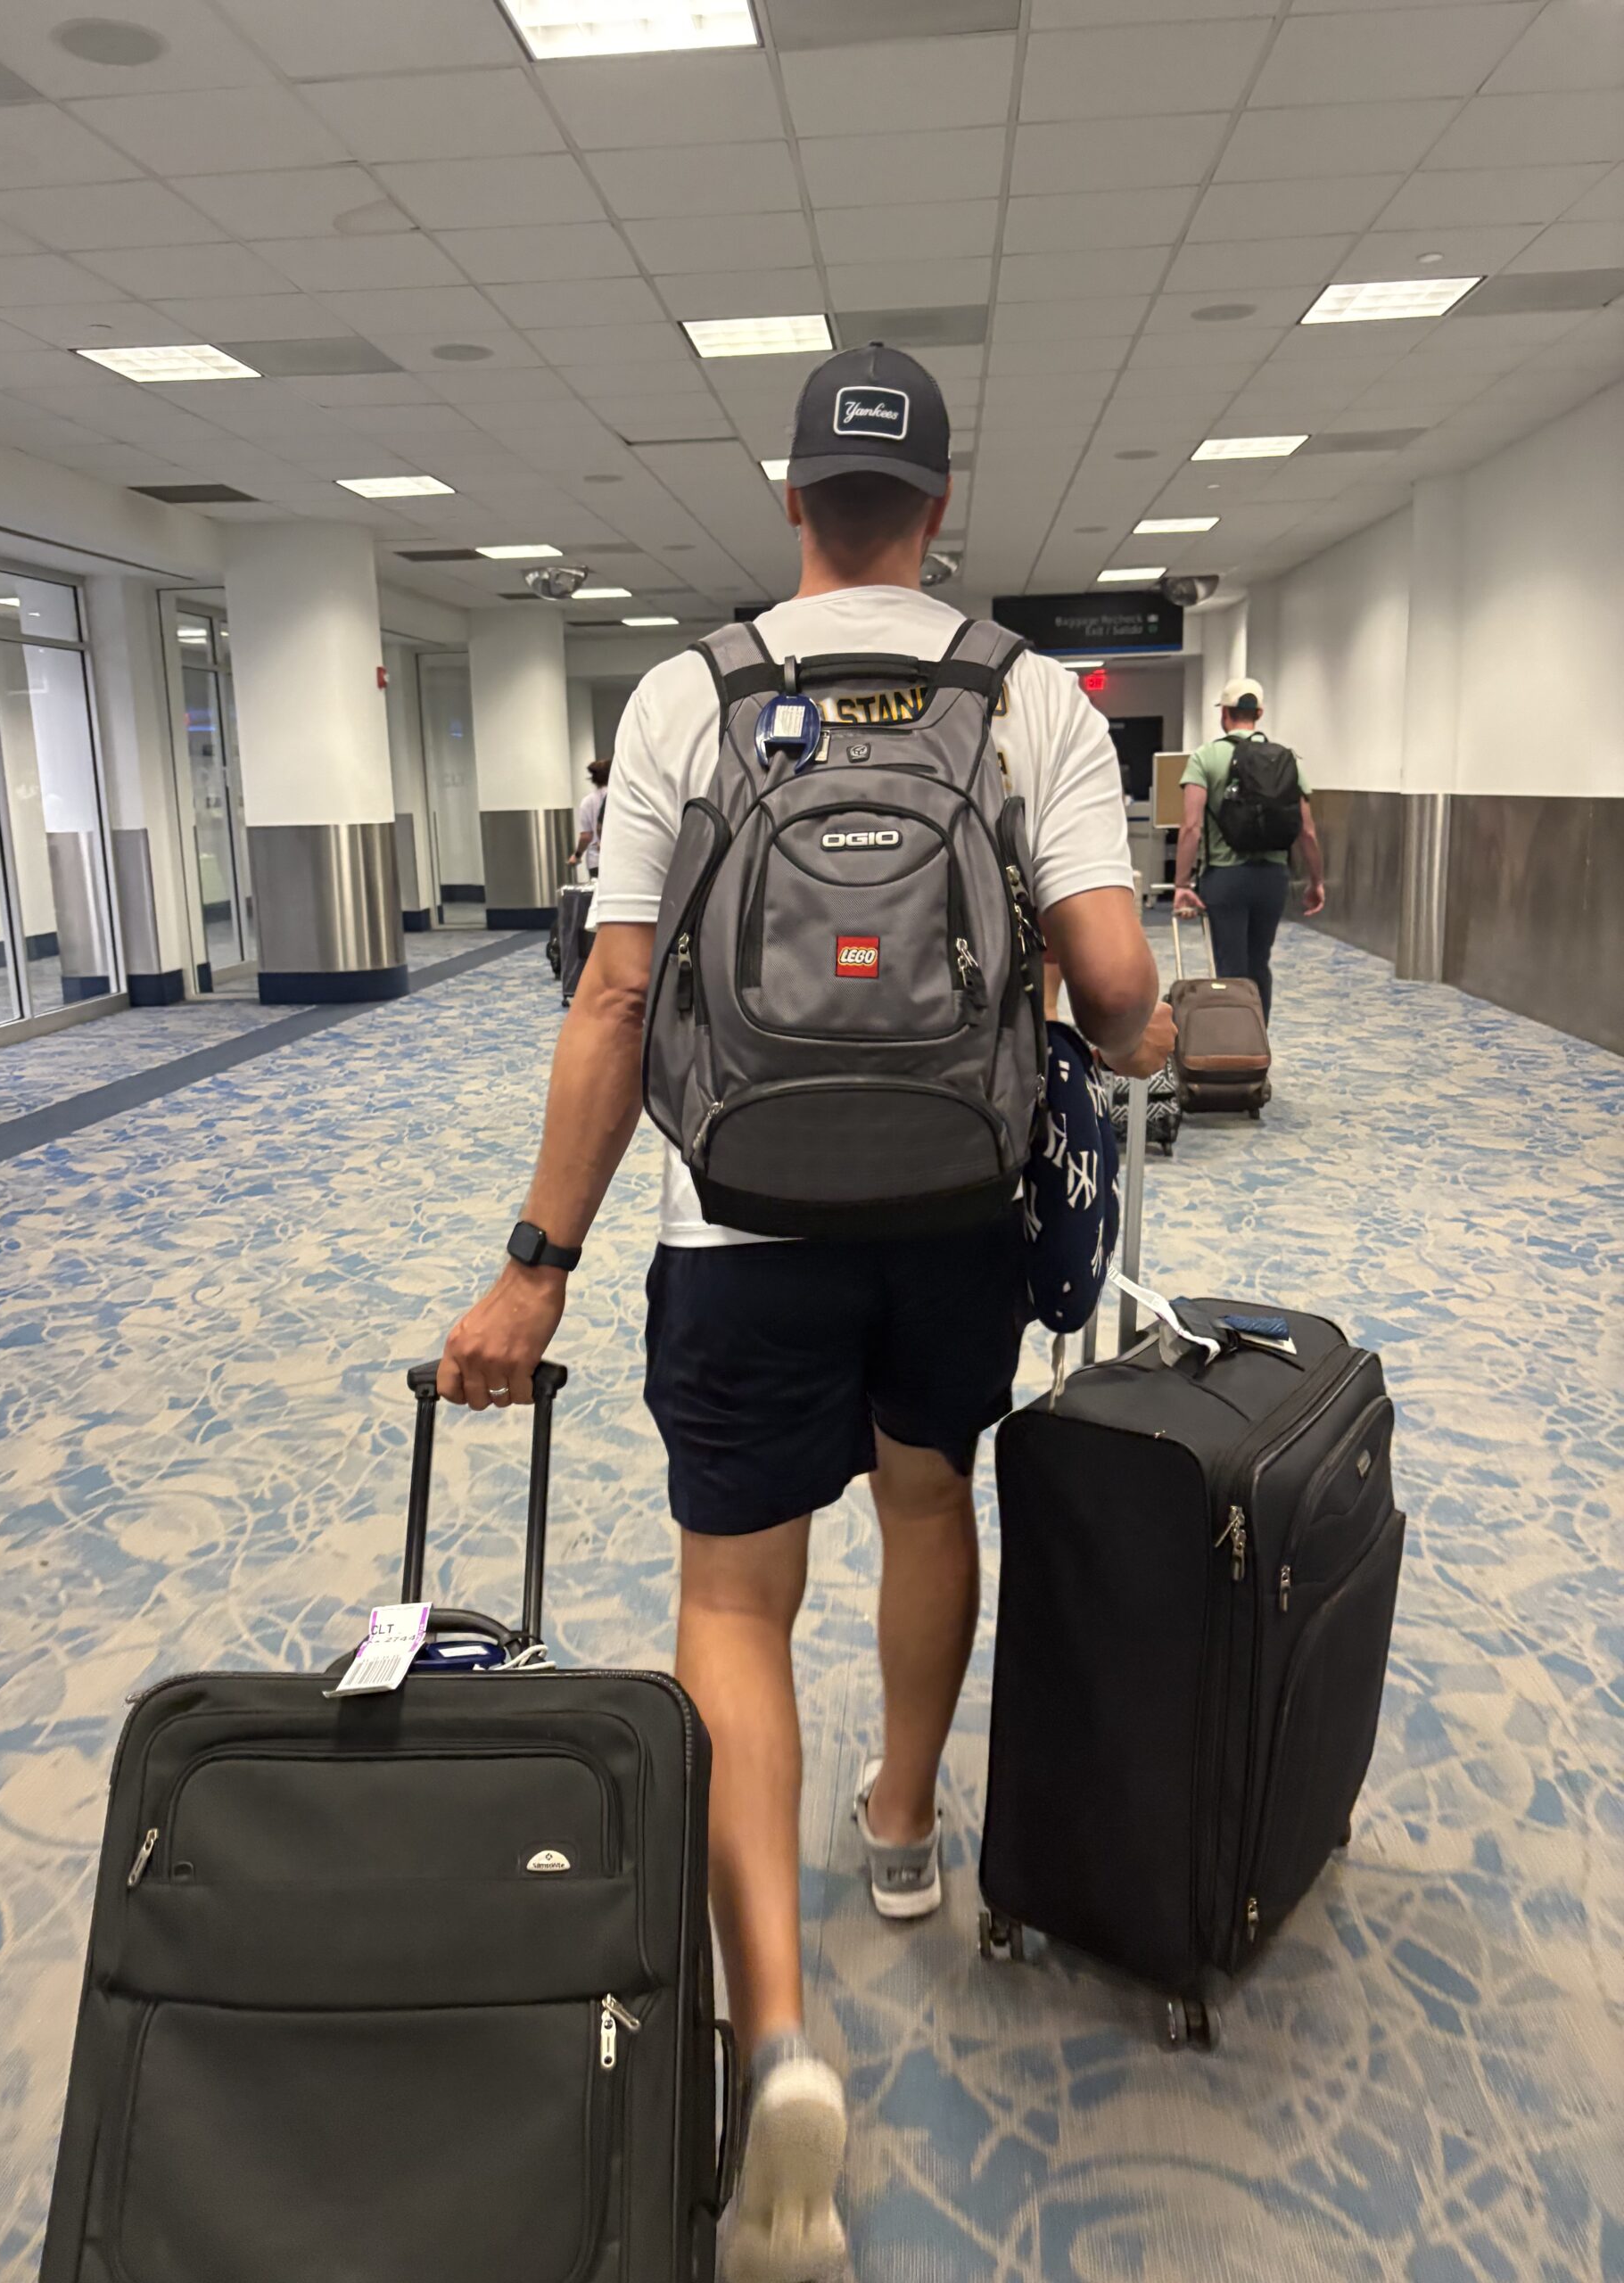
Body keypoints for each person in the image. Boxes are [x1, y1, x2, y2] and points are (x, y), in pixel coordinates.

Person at [438, 342, 1168, 2283]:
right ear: (941, 506)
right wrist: (1123, 1018)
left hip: (733, 1219)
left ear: (789, 505)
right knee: (932, 1502)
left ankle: (774, 2025)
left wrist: (536, 1259)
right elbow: (1109, 985)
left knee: (733, 1596)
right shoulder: (1033, 700)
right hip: (955, 1218)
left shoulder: (692, 689)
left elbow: (608, 1001)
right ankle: (911, 1826)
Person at [1173, 678, 1323, 1023]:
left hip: (1225, 878)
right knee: (1259, 965)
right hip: (1272, 878)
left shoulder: (1206, 757)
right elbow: (1308, 831)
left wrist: (1181, 884)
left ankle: (1233, 1051)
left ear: (1224, 714)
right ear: (1258, 713)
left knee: (1230, 968)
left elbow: (1191, 827)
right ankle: (1257, 1046)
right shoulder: (1287, 760)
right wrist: (1316, 881)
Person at [571, 754, 610, 878]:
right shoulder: (619, 797)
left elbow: (586, 836)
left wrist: (577, 855)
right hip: (617, 859)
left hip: (595, 861)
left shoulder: (587, 802)